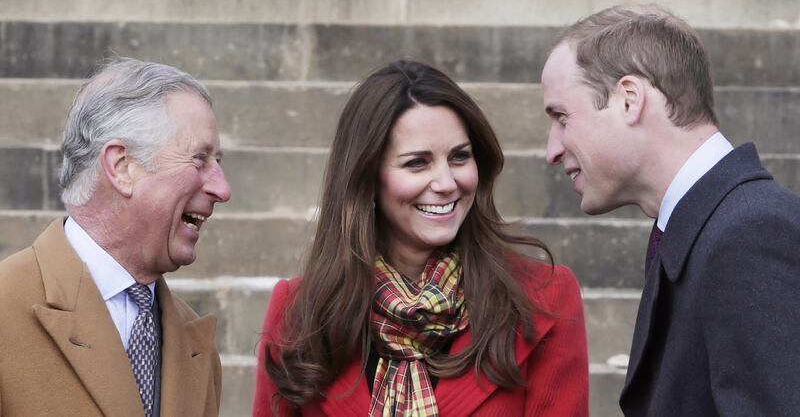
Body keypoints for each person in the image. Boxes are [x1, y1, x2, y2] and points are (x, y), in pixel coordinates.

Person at [253, 60, 588, 416]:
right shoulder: (299, 313)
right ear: (367, 178)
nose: (446, 183)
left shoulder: (545, 298)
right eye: (417, 163)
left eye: (460, 157)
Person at [542, 4, 800, 416]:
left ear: (629, 100)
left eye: (561, 117)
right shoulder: (711, 227)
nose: (552, 149)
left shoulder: (749, 234)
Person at [0, 57, 231, 416]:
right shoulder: (6, 306)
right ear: (122, 167)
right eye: (199, 159)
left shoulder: (195, 345)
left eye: (218, 162)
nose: (222, 188)